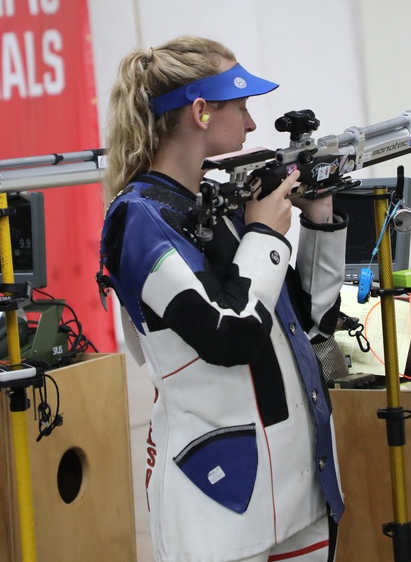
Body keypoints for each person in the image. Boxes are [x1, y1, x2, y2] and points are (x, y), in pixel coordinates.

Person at [99, 36, 348, 562]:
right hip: (220, 501)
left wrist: (319, 219)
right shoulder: (140, 220)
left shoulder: (222, 204)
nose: (254, 124)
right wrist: (264, 236)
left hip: (300, 484)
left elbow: (310, 322)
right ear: (200, 112)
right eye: (242, 107)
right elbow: (229, 334)